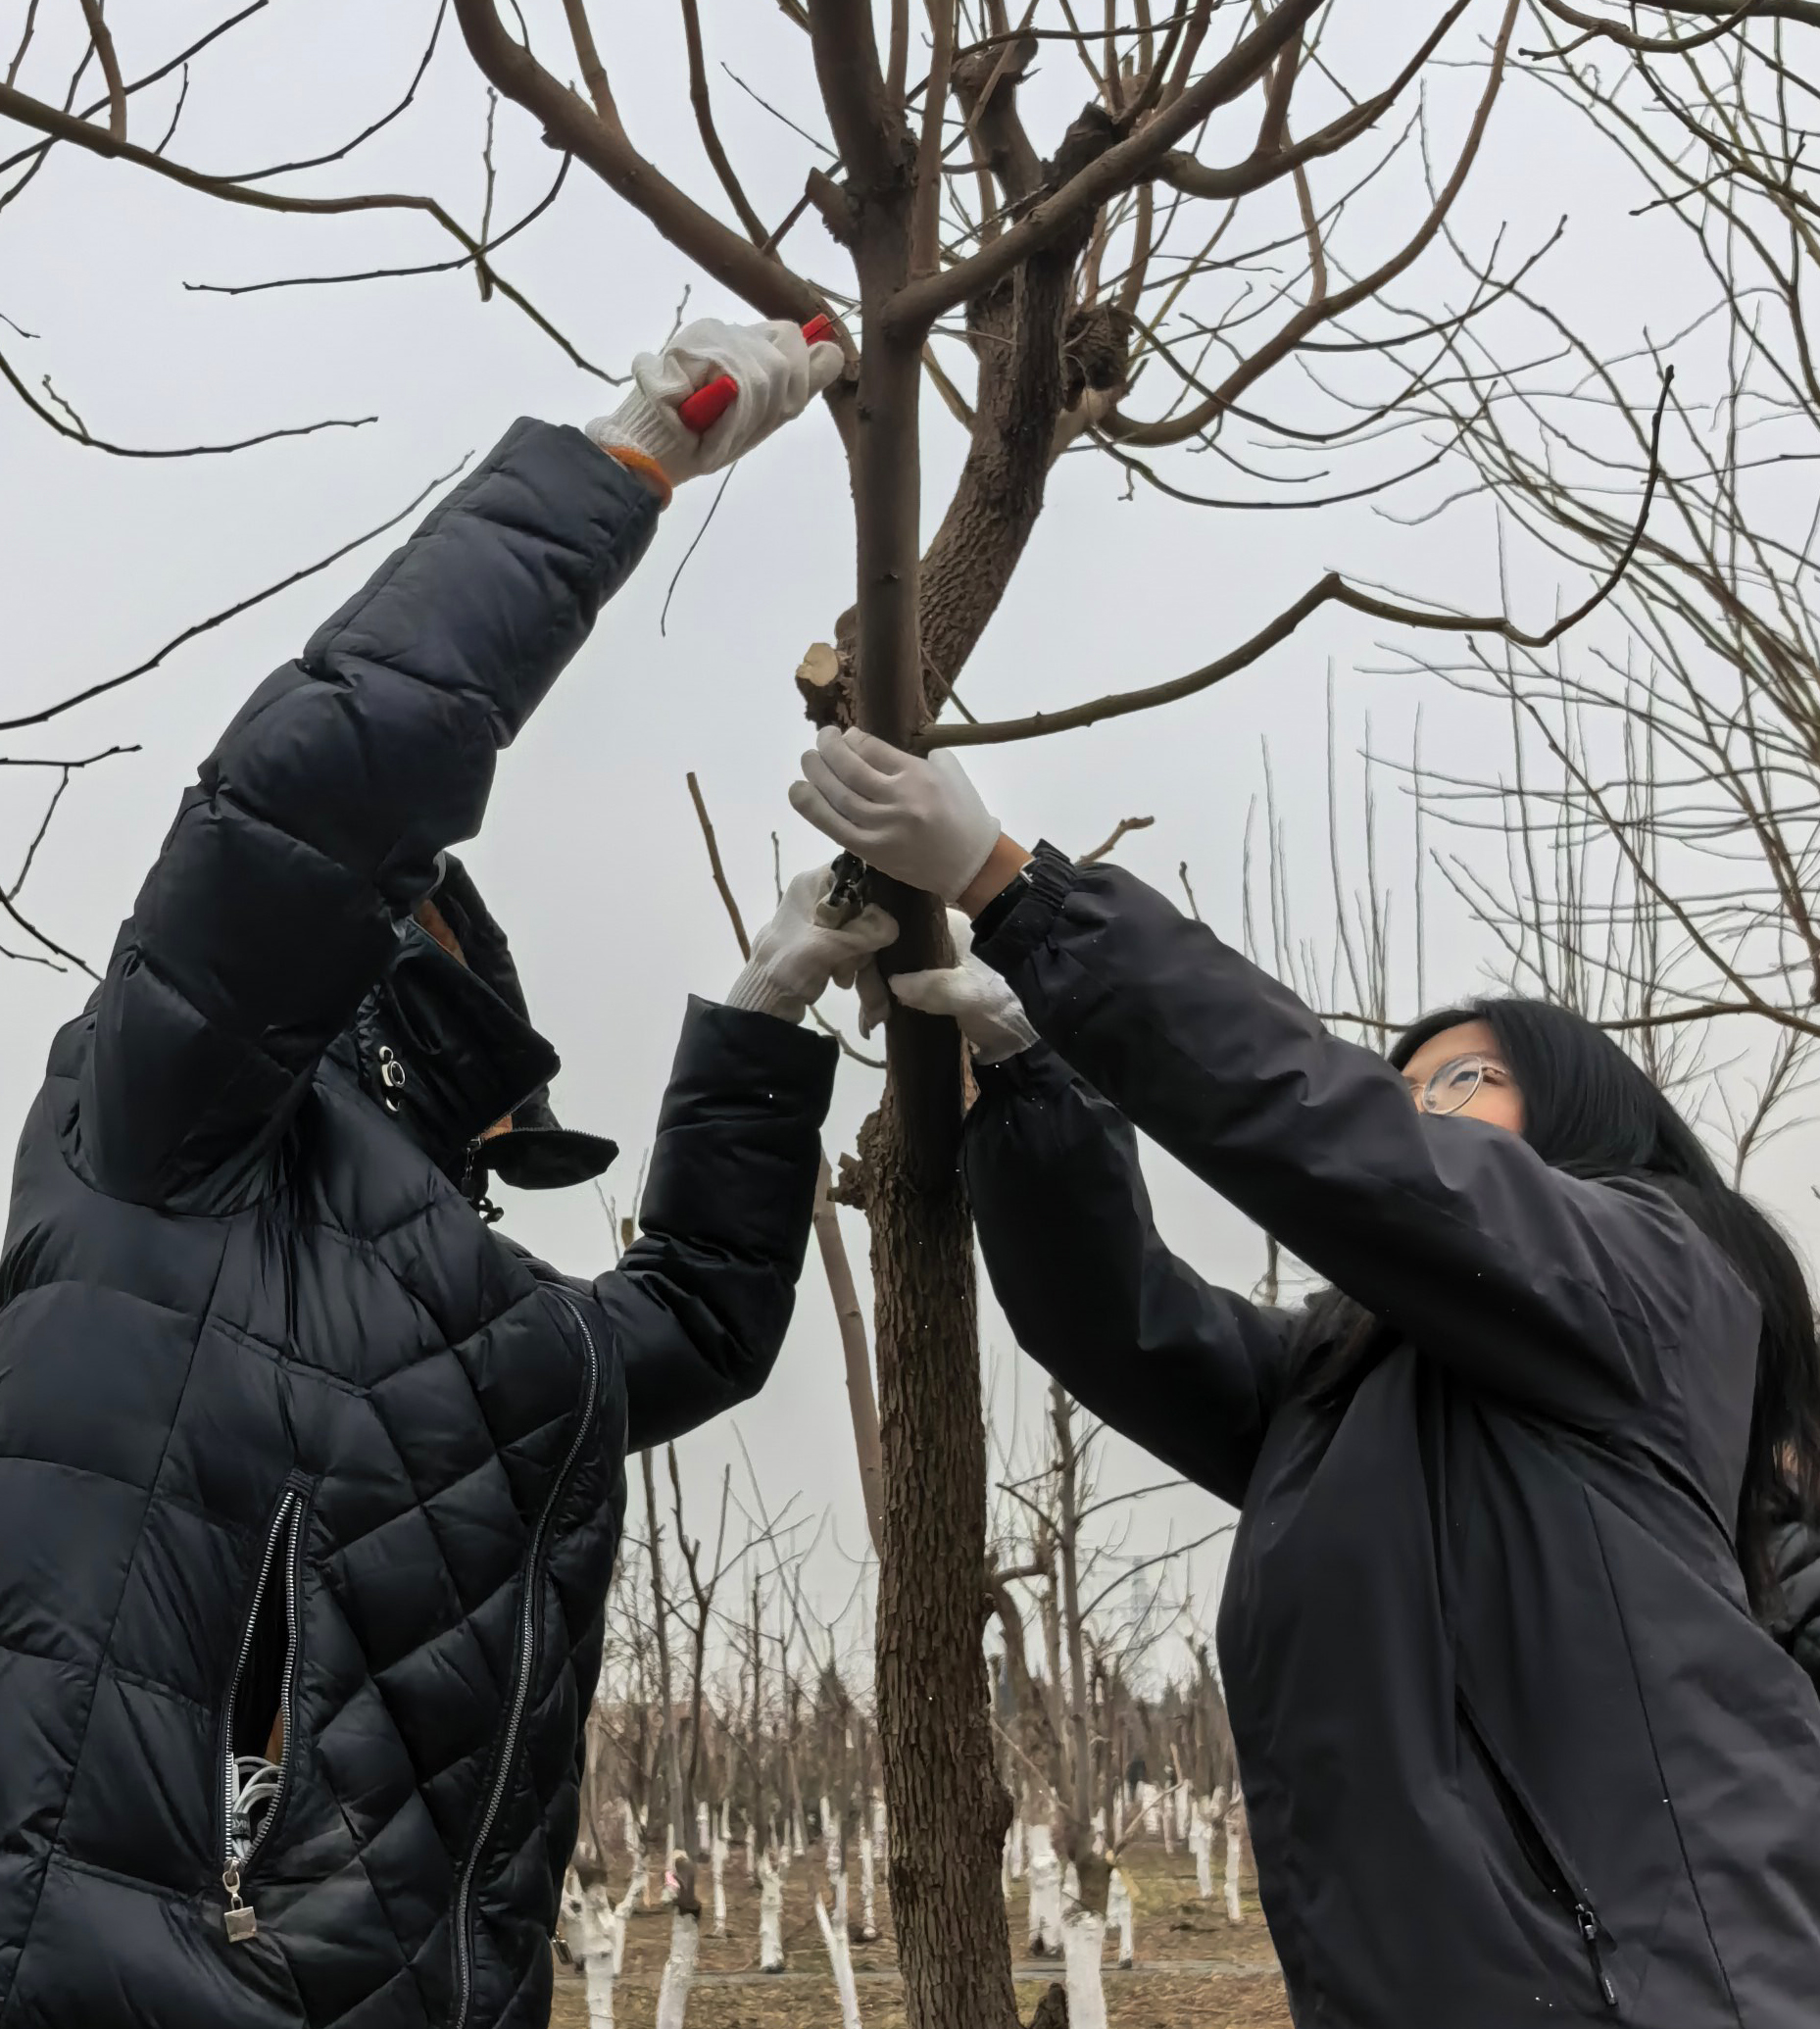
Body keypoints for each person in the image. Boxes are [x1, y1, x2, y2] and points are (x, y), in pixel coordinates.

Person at [0, 318, 894, 2029]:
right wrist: (618, 470)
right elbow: (310, 806)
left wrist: (766, 1013)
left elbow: (696, 1317)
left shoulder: (482, 1329)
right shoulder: (164, 1137)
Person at [790, 727, 1820, 2026]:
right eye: (1407, 1081)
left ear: (1585, 1111)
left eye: (1469, 1077)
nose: (1425, 1101)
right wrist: (1030, 1074)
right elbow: (1127, 1322)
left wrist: (1018, 897)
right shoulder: (1342, 1385)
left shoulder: (1655, 1270)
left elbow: (1337, 1136)